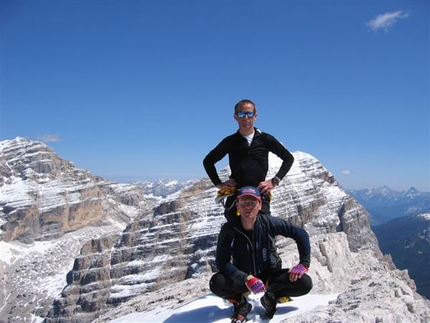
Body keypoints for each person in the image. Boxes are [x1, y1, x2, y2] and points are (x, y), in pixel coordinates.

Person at [209, 186, 312, 322]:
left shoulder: (268, 223)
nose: (248, 207)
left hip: (269, 275)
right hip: (243, 277)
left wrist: (304, 263)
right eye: (244, 203)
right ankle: (241, 303)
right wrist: (246, 278)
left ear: (259, 205)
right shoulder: (229, 229)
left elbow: (300, 234)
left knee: (304, 283)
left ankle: (271, 297)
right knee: (216, 283)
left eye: (252, 203)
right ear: (238, 206)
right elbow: (222, 262)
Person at [203, 99, 294, 221]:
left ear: (255, 116)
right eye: (241, 114)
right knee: (235, 233)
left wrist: (274, 181)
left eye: (249, 114)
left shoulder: (265, 139)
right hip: (237, 195)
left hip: (260, 194)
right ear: (236, 117)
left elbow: (288, 158)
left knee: (263, 230)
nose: (246, 117)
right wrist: (218, 184)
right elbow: (208, 161)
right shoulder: (230, 142)